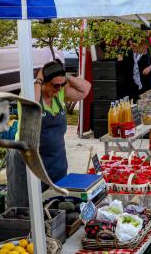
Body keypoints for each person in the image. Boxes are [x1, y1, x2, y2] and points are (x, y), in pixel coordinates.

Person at [7, 60, 91, 207]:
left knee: (53, 205)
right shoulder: (30, 92)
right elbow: (32, 105)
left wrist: (65, 76)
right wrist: (39, 79)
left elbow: (85, 89)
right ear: (43, 83)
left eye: (62, 85)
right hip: (28, 162)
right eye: (55, 85)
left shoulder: (59, 94)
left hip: (55, 161)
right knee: (26, 209)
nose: (59, 89)